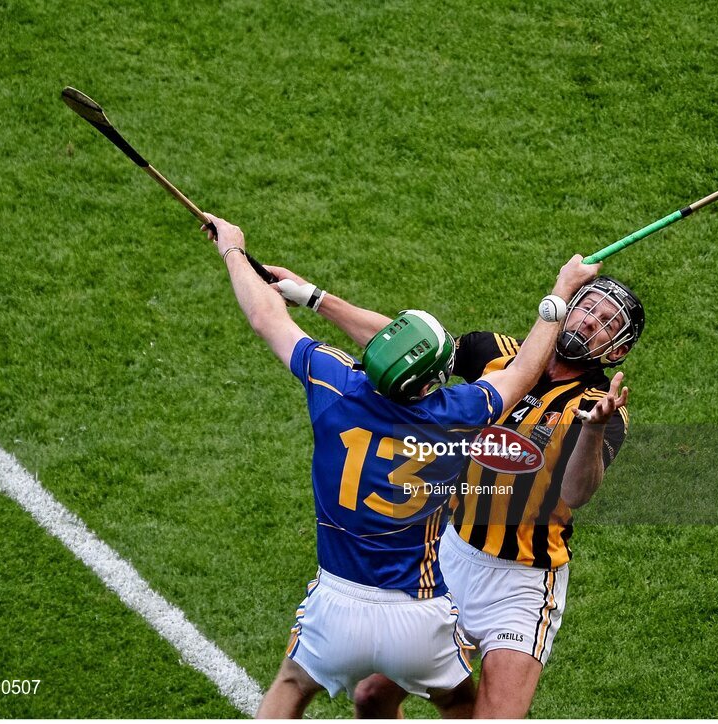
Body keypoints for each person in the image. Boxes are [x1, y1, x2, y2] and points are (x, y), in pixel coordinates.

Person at [200, 214, 600, 718]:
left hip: (339, 600)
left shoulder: (333, 384)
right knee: (458, 703)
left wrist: (233, 250)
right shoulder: (459, 414)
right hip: (420, 609)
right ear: (435, 380)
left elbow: (265, 318)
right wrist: (560, 291)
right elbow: (522, 373)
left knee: (288, 687)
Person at [266, 263, 644, 718]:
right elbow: (409, 347)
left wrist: (594, 430)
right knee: (371, 698)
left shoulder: (600, 410)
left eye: (606, 324)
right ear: (568, 306)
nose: (588, 322)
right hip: (451, 558)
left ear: (616, 351)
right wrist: (314, 297)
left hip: (523, 582)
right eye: (588, 308)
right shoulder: (495, 352)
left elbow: (576, 492)